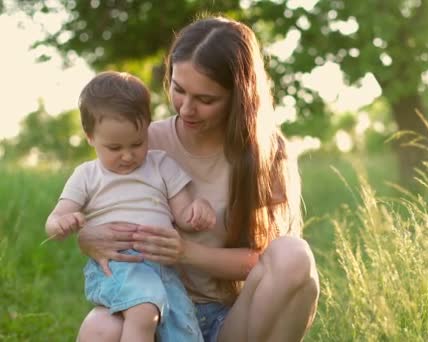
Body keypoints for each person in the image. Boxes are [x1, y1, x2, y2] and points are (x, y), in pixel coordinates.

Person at [76, 16, 320, 342]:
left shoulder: (267, 152)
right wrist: (87, 236)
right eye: (179, 90)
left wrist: (185, 252)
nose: (187, 108)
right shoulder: (143, 143)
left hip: (231, 319)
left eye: (206, 100)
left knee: (294, 255)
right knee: (100, 325)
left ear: (239, 96)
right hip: (160, 311)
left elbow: (267, 263)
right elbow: (97, 201)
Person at [46, 71, 213, 341]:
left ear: (147, 127)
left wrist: (198, 209)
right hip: (117, 265)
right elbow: (54, 222)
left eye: (137, 143)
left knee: (184, 331)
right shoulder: (87, 175)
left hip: (163, 268)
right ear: (90, 137)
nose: (127, 155)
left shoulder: (161, 165)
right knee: (144, 309)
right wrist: (62, 224)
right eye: (114, 147)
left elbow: (183, 216)